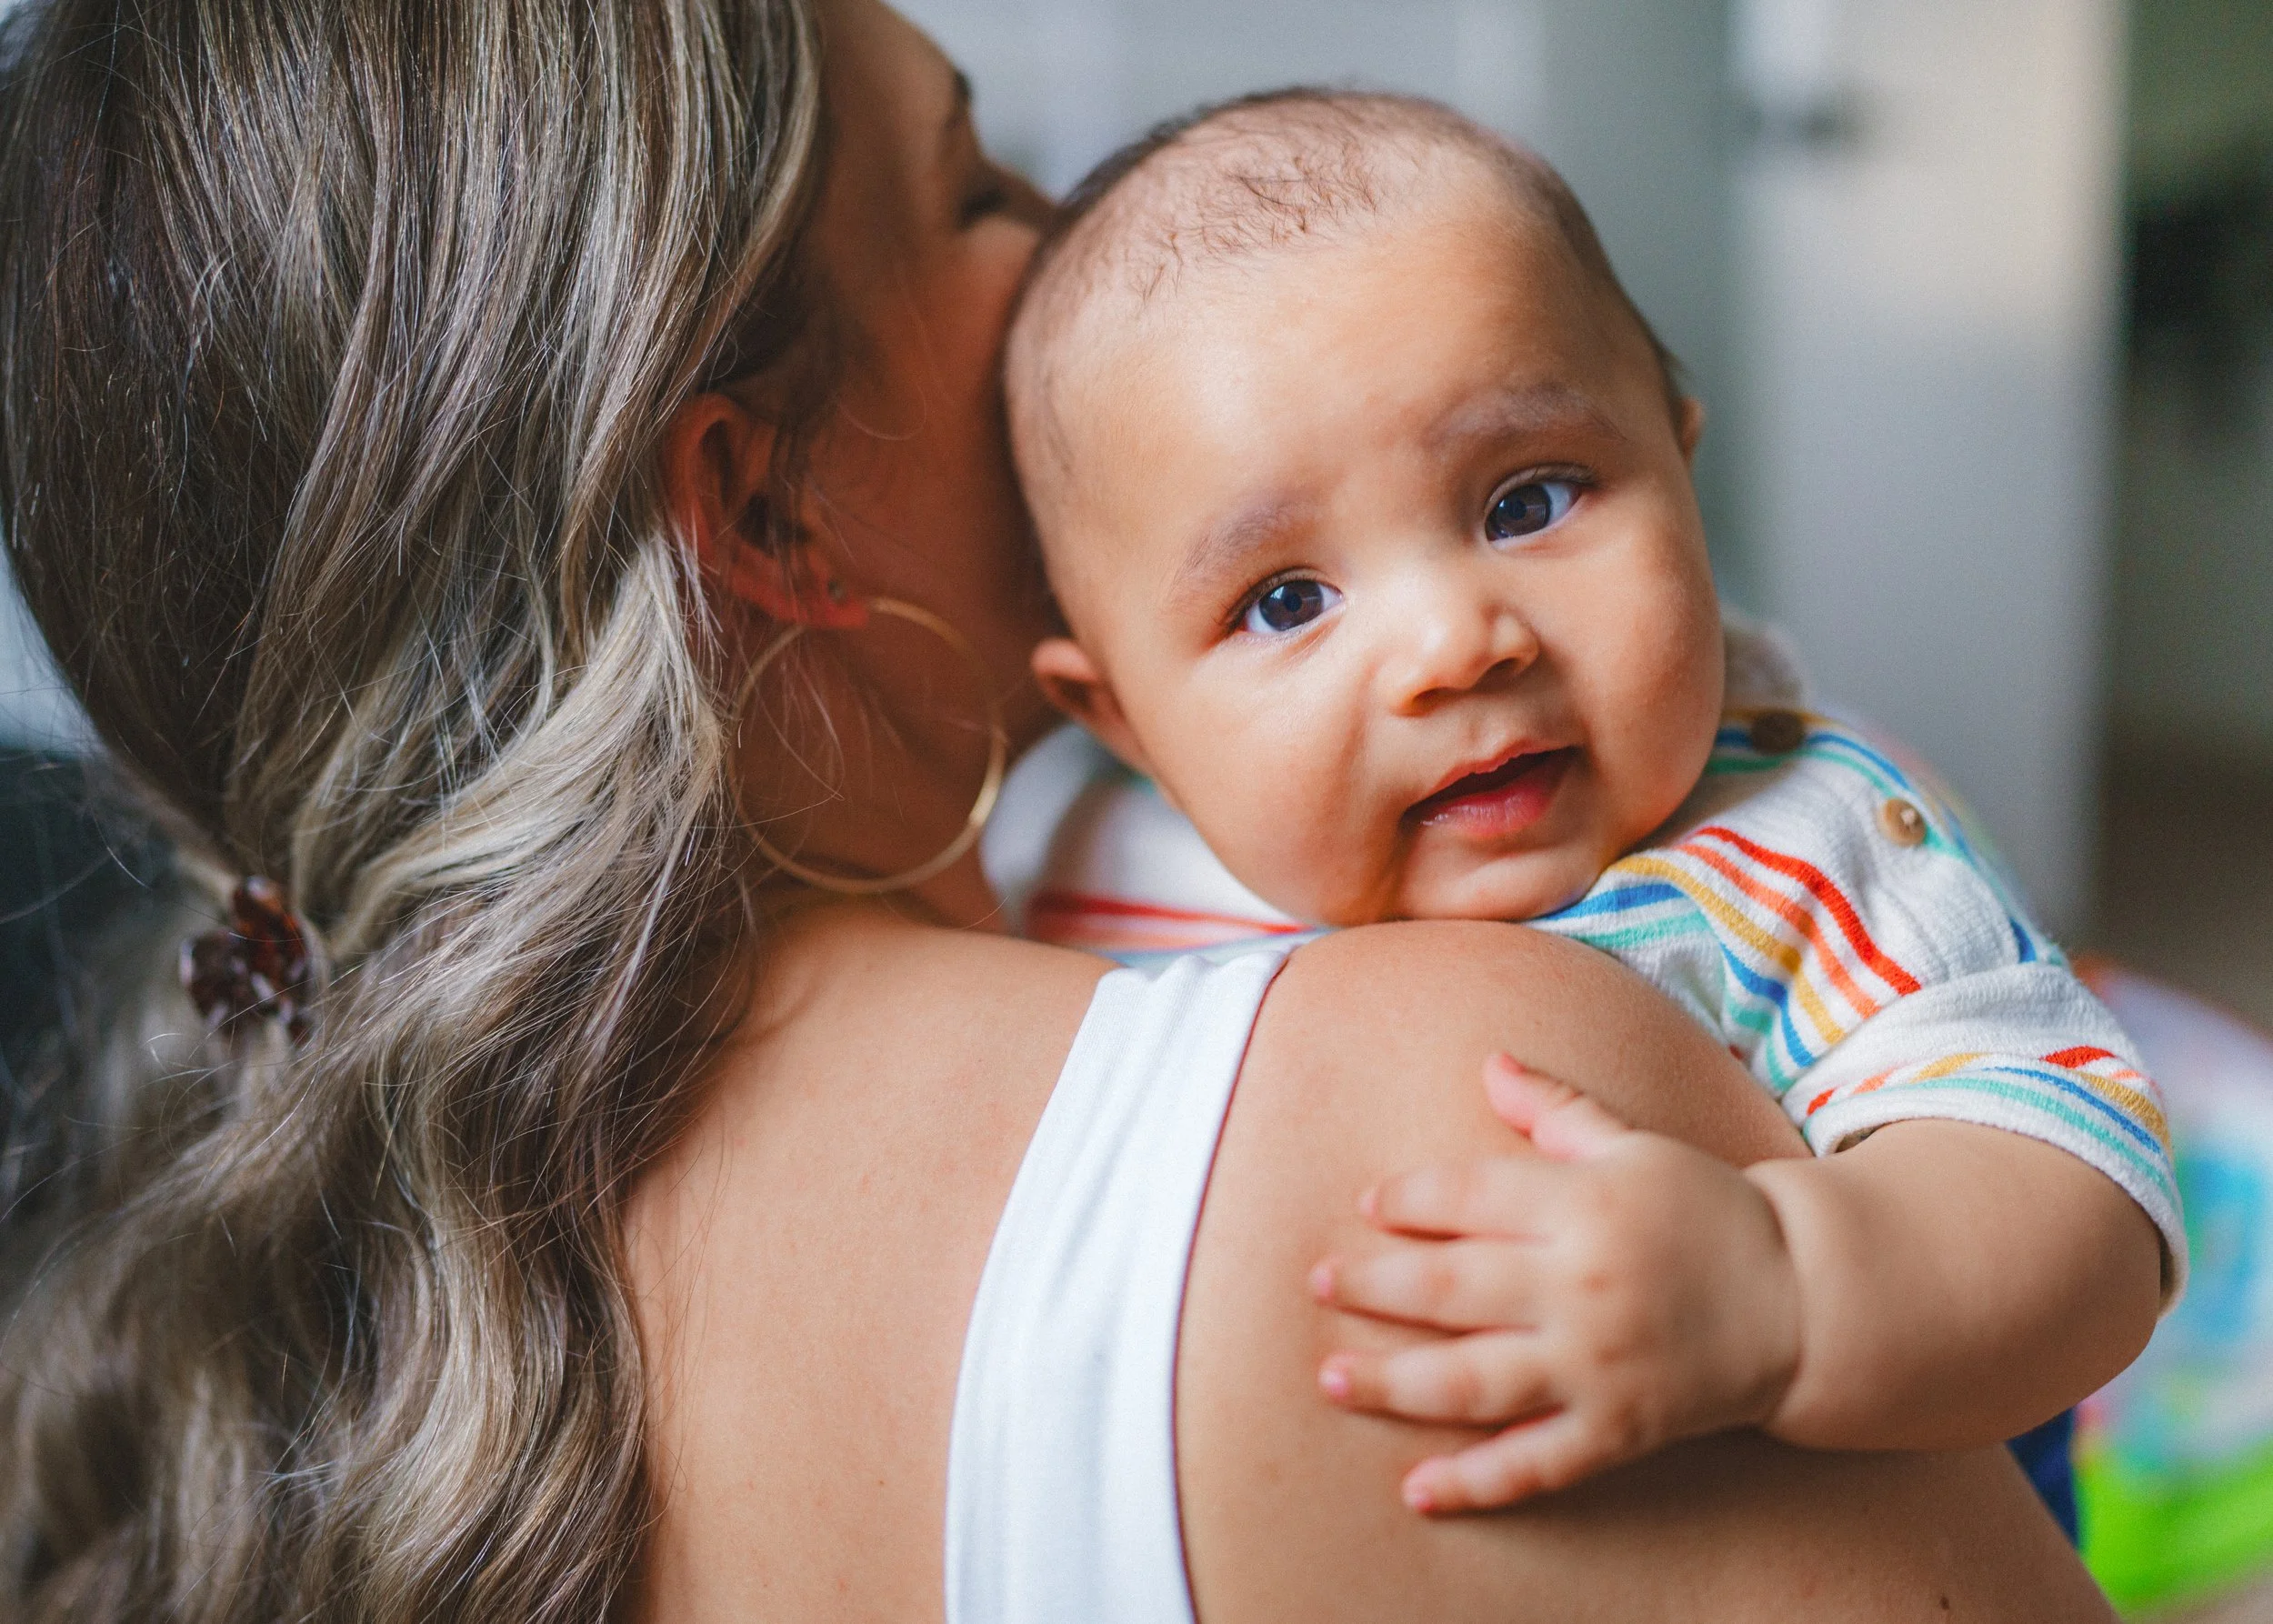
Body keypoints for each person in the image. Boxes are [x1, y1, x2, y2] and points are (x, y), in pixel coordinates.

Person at [0, 0, 2117, 1619]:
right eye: (982, 191)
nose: (1085, 246)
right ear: (766, 503)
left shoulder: (370, 1295)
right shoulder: (1441, 1123)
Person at [1005, 91, 2173, 1516]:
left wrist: (1780, 1283)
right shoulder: (1083, 861)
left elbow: (2087, 1213)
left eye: (1529, 501)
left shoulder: (1802, 845)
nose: (1456, 643)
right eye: (1287, 600)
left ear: (1681, 465)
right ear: (1117, 712)